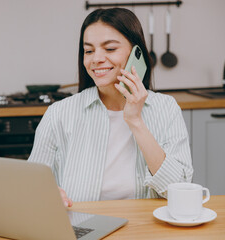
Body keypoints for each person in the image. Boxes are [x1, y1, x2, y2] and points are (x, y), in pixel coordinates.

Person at [28, 8, 193, 207]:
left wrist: (135, 122)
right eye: (88, 51)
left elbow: (179, 188)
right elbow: (33, 185)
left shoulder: (166, 108)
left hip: (144, 229)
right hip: (83, 227)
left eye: (110, 49)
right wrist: (48, 193)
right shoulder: (59, 114)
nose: (96, 59)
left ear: (136, 53)